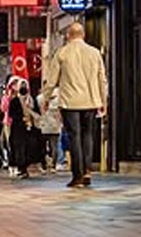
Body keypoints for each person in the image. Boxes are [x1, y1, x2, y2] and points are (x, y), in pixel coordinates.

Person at [42, 23, 108, 188]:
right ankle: (87, 171)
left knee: (74, 137)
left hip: (70, 102)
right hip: (91, 101)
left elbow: (51, 80)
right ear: (83, 35)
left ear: (68, 35)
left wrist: (46, 99)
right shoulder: (94, 53)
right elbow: (102, 79)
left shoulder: (62, 53)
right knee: (88, 136)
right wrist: (103, 101)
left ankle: (77, 175)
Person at [8, 80, 40, 179]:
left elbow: (37, 112)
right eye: (21, 85)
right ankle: (21, 168)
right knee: (19, 149)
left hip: (30, 128)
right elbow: (11, 114)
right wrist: (21, 118)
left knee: (29, 148)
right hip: (18, 128)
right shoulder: (14, 100)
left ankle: (26, 167)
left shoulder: (31, 100)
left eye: (25, 85)